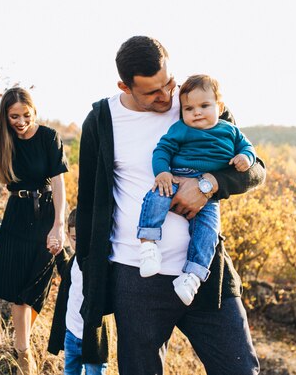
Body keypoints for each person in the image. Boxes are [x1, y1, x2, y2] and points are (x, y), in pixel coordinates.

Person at [75, 36, 265, 375]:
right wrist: (91, 280)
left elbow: (255, 170)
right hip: (136, 278)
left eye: (168, 84)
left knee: (240, 369)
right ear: (125, 86)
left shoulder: (197, 102)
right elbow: (89, 205)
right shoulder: (102, 121)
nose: (167, 98)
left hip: (205, 273)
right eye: (152, 93)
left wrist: (208, 186)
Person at [137, 74, 257, 307]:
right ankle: (148, 245)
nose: (197, 112)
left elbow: (248, 148)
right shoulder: (181, 129)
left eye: (204, 106)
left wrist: (245, 158)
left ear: (219, 107)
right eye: (189, 108)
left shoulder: (230, 130)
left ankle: (192, 276)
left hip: (209, 196)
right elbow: (162, 149)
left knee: (209, 231)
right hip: (177, 175)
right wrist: (162, 171)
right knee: (156, 197)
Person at [0, 87, 68, 375]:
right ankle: (24, 353)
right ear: (6, 116)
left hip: (46, 214)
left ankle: (19, 340)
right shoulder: (2, 143)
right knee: (18, 289)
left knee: (38, 285)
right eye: (14, 116)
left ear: (34, 111)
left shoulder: (49, 137)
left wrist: (58, 225)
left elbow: (60, 183)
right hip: (17, 216)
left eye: (26, 114)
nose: (21, 121)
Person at [47, 208, 110, 375]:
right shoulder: (74, 261)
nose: (80, 244)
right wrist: (59, 254)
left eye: (85, 238)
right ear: (68, 236)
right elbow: (68, 276)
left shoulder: (100, 264)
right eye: (75, 239)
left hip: (93, 338)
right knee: (70, 372)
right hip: (71, 333)